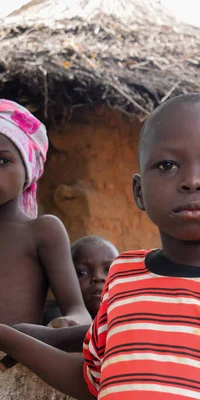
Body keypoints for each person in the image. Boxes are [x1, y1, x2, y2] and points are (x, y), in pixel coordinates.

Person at [0, 93, 200, 399]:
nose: (193, 180)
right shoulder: (124, 277)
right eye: (167, 165)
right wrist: (9, 336)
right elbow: (94, 379)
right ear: (139, 192)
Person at [0, 99, 91, 328]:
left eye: (3, 160)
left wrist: (69, 322)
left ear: (28, 168)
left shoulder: (41, 232)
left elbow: (78, 311)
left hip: (15, 362)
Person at [4, 236, 119, 358]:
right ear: (63, 280)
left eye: (109, 270)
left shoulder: (130, 317)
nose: (98, 277)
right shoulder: (54, 320)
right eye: (82, 272)